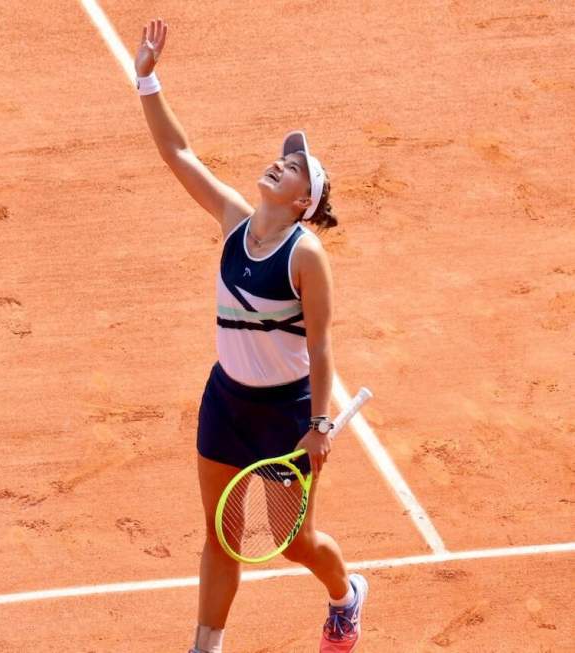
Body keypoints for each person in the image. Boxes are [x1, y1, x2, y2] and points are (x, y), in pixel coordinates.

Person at [132, 18, 369, 653]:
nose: (278, 163)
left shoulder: (305, 255)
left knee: (294, 541)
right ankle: (204, 647)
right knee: (220, 532)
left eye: (292, 168)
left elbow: (320, 346)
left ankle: (345, 597)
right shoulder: (236, 223)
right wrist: (147, 77)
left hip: (284, 415)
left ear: (302, 202)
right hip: (226, 401)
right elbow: (179, 155)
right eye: (281, 158)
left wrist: (319, 426)